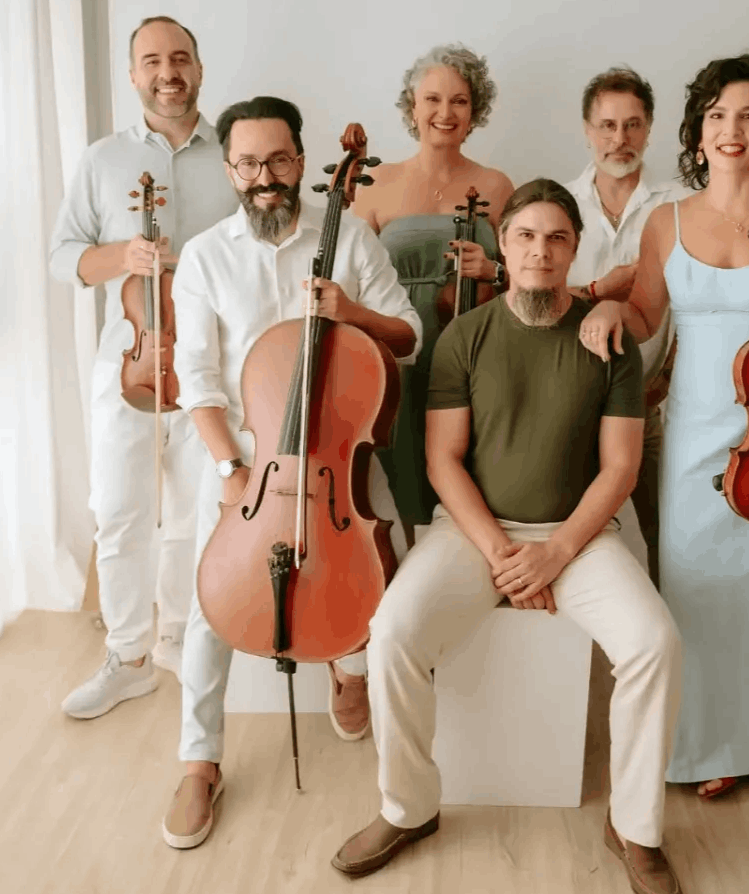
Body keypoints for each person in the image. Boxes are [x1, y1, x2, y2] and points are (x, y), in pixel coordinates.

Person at [333, 179, 685, 894]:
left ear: (575, 249)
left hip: (579, 536)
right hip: (472, 532)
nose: (540, 251)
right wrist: (500, 553)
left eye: (556, 238)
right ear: (503, 244)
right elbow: (443, 460)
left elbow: (620, 468)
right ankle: (408, 808)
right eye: (525, 236)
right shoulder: (465, 336)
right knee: (393, 632)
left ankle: (634, 826)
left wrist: (554, 553)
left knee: (655, 643)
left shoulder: (608, 339)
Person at [579, 54, 749, 800]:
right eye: (718, 115)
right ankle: (701, 737)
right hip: (697, 436)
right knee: (697, 588)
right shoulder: (666, 223)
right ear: (698, 133)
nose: (733, 129)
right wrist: (611, 307)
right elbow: (646, 316)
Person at [161, 96, 422, 850]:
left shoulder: (351, 240)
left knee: (381, 575)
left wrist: (352, 313)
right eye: (248, 163)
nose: (264, 176)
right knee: (210, 596)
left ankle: (350, 668)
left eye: (277, 160)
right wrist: (229, 468)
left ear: (302, 162)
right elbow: (196, 378)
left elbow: (407, 336)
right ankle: (199, 761)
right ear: (229, 170)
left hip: (340, 452)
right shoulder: (205, 256)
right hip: (247, 458)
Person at [49, 16, 237, 717]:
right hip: (127, 363)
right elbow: (63, 257)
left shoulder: (234, 154)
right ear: (133, 75)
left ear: (199, 68)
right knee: (120, 513)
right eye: (152, 61)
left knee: (194, 515)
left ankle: (180, 641)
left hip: (209, 364)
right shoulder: (103, 160)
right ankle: (127, 656)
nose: (168, 73)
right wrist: (121, 256)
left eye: (180, 58)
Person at [352, 44, 515, 546]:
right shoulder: (375, 182)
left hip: (476, 354)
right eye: (433, 99)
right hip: (397, 352)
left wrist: (494, 270)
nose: (445, 112)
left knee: (475, 478)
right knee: (400, 481)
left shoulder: (496, 185)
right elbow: (351, 279)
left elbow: (526, 276)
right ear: (412, 107)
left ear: (474, 111)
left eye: (460, 101)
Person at [564, 67, 689, 589]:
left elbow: (691, 307)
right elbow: (537, 298)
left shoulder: (680, 205)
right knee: (568, 530)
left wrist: (667, 382)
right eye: (608, 125)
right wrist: (599, 289)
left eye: (633, 124)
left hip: (650, 399)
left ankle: (673, 626)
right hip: (570, 401)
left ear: (650, 128)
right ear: (587, 130)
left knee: (670, 531)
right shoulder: (559, 204)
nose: (620, 139)